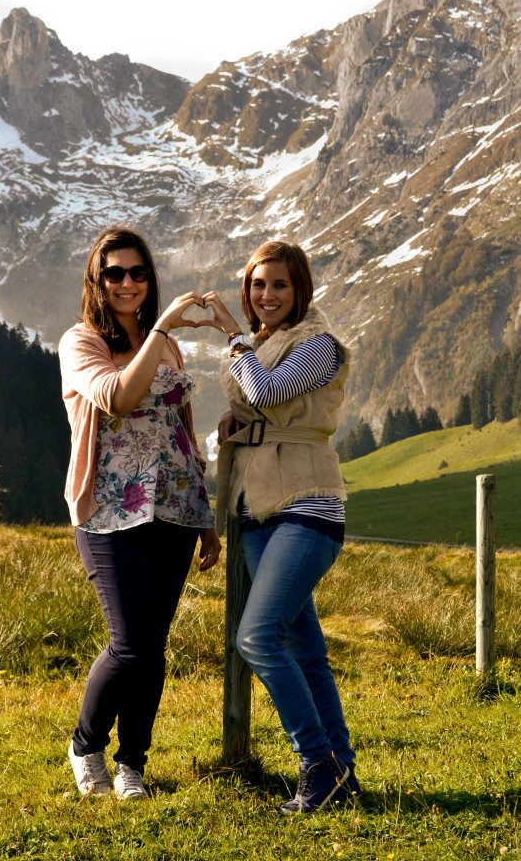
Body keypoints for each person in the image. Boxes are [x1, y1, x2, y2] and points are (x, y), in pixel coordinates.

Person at [59, 226, 221, 801]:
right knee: (128, 641)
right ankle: (85, 746)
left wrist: (205, 515)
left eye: (138, 272)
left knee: (152, 646)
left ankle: (132, 764)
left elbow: (183, 429)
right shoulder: (80, 342)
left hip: (175, 507)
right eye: (114, 273)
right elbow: (119, 397)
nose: (127, 283)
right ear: (96, 280)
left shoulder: (167, 346)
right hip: (108, 511)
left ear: (150, 278)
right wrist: (160, 329)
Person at [199, 240, 360, 814]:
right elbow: (256, 408)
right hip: (255, 510)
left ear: (300, 289)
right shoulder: (262, 346)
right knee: (303, 648)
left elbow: (267, 392)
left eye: (280, 285)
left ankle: (316, 765)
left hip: (308, 504)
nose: (267, 295)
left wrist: (231, 334)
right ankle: (341, 772)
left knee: (257, 637)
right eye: (258, 284)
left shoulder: (320, 345)